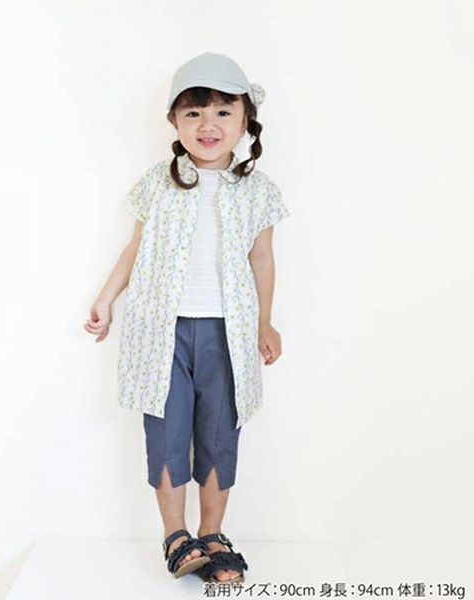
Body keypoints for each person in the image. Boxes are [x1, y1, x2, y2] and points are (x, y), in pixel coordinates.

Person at [84, 51, 290, 584]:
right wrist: (107, 298)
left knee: (220, 433)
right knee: (166, 428)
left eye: (223, 111)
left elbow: (262, 258)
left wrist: (265, 321)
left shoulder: (258, 191)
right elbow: (136, 247)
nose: (208, 124)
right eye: (194, 112)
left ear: (245, 121)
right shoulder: (159, 183)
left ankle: (213, 534)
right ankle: (176, 536)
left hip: (228, 334)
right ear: (174, 121)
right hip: (162, 333)